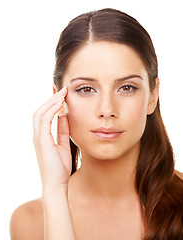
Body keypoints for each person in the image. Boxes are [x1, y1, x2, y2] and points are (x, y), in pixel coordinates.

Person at [10, 8, 183, 240]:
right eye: (86, 89)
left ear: (153, 96)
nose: (107, 110)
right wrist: (55, 191)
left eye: (127, 87)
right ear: (59, 99)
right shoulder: (30, 222)